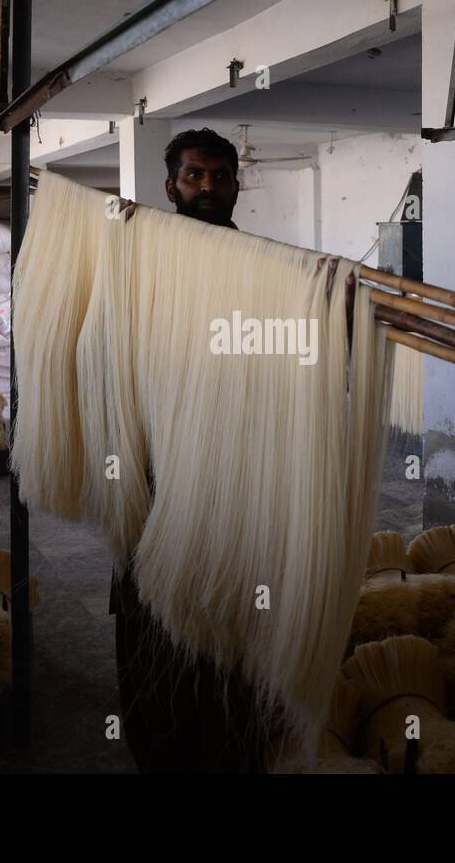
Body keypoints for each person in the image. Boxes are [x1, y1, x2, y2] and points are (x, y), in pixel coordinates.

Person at [109, 128, 273, 773]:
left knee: (229, 595)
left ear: (236, 183)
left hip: (232, 459)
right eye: (195, 176)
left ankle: (228, 729)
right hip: (155, 456)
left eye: (221, 176)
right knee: (154, 593)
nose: (209, 187)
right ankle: (162, 740)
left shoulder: (261, 264)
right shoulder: (141, 252)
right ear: (170, 186)